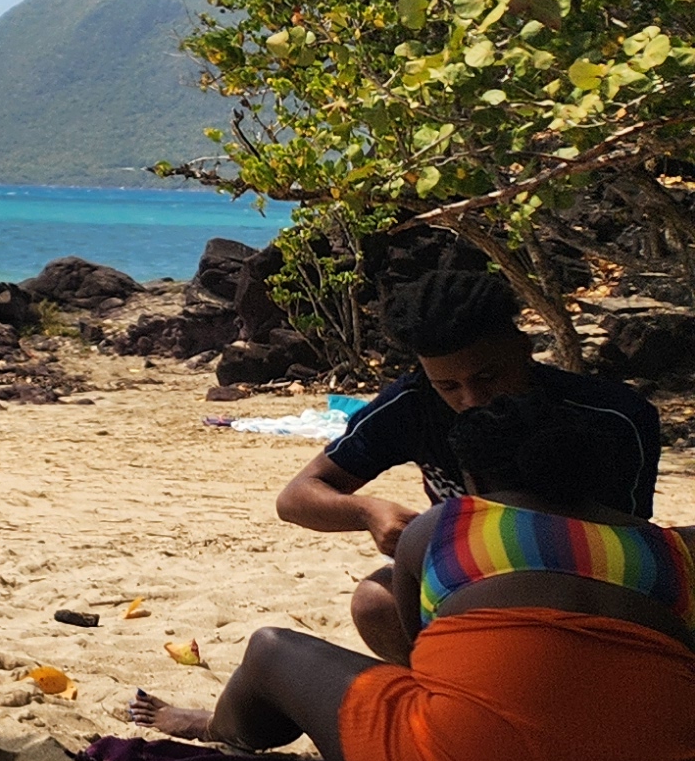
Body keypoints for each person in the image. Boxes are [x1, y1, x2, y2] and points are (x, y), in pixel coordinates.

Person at [136, 391, 695, 761]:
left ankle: (225, 730)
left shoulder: (445, 523)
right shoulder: (675, 550)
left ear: (472, 477)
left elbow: (416, 652)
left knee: (270, 649)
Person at [273, 238, 659, 657]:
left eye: (488, 376)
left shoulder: (611, 415)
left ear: (523, 348)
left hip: (588, 577)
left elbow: (631, 535)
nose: (471, 399)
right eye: (448, 386)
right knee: (375, 601)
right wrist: (368, 512)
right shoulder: (413, 403)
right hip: (468, 575)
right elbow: (297, 497)